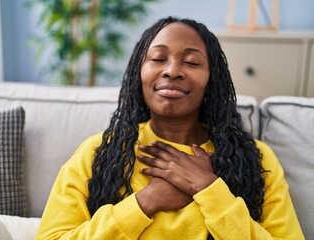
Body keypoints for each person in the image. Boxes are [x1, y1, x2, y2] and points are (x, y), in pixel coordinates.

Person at [36, 16, 304, 239]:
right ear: (138, 73)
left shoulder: (254, 158)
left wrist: (209, 189)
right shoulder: (100, 152)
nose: (173, 70)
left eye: (191, 62)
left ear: (212, 80)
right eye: (158, 58)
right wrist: (146, 201)